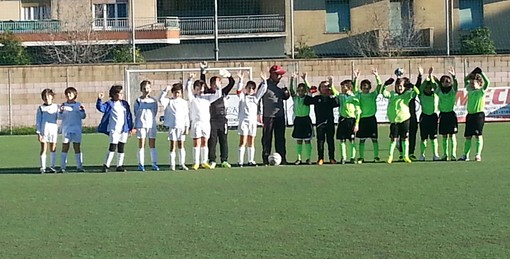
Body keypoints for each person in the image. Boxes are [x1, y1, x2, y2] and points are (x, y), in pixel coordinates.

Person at [200, 62, 236, 169]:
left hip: (222, 119)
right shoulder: (208, 93)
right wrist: (202, 71)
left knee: (223, 140)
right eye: (214, 84)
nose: (216, 86)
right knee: (212, 141)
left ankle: (224, 160)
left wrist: (228, 75)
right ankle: (212, 160)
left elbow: (232, 83)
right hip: (211, 120)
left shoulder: (223, 92)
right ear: (211, 85)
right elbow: (202, 82)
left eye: (218, 83)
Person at [186, 73, 222, 170]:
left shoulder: (207, 97)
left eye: (201, 87)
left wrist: (218, 86)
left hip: (206, 123)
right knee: (196, 142)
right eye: (197, 87)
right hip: (196, 123)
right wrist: (189, 80)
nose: (200, 89)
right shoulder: (193, 98)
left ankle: (204, 161)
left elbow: (218, 95)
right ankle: (196, 162)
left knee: (204, 142)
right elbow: (188, 91)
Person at [96, 84, 135, 172]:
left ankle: (119, 165)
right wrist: (99, 99)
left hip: (123, 129)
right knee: (112, 146)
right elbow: (101, 108)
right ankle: (106, 165)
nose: (121, 95)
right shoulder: (110, 104)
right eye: (119, 93)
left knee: (121, 147)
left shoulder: (124, 104)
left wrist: (131, 127)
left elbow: (129, 116)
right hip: (114, 129)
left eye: (122, 93)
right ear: (114, 94)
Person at [381, 77, 420, 164]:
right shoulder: (392, 94)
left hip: (404, 120)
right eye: (398, 86)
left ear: (405, 87)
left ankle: (405, 156)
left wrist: (412, 86)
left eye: (401, 86)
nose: (399, 88)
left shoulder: (407, 95)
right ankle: (390, 157)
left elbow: (417, 92)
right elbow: (383, 93)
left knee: (404, 138)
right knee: (393, 139)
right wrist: (385, 85)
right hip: (394, 121)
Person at [353, 68, 387, 163]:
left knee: (374, 139)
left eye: (367, 88)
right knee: (362, 140)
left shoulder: (373, 95)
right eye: (364, 88)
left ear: (370, 88)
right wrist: (356, 78)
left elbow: (380, 85)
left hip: (371, 119)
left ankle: (376, 156)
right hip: (362, 120)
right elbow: (354, 88)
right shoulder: (358, 95)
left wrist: (377, 76)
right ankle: (361, 157)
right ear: (361, 88)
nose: (365, 89)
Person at [260, 65, 290, 165]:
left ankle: (282, 158)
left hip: (280, 115)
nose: (279, 76)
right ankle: (265, 158)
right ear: (272, 74)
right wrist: (258, 114)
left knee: (280, 138)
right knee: (267, 138)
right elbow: (257, 99)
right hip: (268, 116)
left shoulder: (282, 85)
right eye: (277, 74)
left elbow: (286, 98)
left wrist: (286, 93)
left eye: (280, 75)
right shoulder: (264, 84)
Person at [304, 78, 339, 165]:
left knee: (330, 140)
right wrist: (310, 93)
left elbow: (337, 103)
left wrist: (332, 92)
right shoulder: (317, 98)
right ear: (320, 88)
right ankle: (320, 158)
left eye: (327, 86)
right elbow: (307, 102)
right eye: (323, 86)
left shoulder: (330, 98)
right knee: (320, 141)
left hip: (330, 122)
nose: (325, 88)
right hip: (320, 123)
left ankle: (332, 158)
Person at [236, 71, 268, 167]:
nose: (250, 89)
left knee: (251, 141)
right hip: (243, 122)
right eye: (249, 87)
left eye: (252, 88)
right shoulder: (243, 97)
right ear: (246, 88)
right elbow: (238, 91)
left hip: (253, 122)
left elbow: (263, 90)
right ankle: (240, 161)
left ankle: (251, 160)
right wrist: (240, 80)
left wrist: (264, 81)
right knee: (243, 141)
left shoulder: (255, 98)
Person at [459, 67, 490, 162]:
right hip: (470, 115)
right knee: (468, 136)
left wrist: (481, 73)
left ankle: (478, 155)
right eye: (471, 83)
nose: (471, 84)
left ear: (479, 83)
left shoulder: (481, 91)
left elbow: (487, 82)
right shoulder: (469, 90)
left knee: (478, 135)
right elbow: (465, 80)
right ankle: (465, 155)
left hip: (478, 115)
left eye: (474, 83)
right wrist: (472, 74)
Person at [159, 82, 190, 171]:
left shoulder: (184, 102)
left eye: (179, 92)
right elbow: (160, 99)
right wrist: (165, 90)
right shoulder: (169, 101)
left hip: (182, 127)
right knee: (173, 145)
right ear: (172, 93)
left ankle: (182, 163)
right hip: (172, 127)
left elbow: (186, 115)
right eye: (175, 92)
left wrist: (187, 127)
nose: (177, 94)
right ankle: (172, 164)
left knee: (181, 145)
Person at [333, 78, 361, 164]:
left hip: (351, 120)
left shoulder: (354, 97)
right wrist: (331, 84)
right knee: (342, 139)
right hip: (342, 119)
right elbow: (335, 92)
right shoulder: (341, 96)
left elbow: (358, 112)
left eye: (343, 87)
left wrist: (357, 123)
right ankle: (343, 157)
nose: (341, 89)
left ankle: (352, 157)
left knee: (352, 139)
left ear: (349, 88)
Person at [58, 87, 86, 173]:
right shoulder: (63, 105)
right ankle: (63, 167)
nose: (69, 95)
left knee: (77, 147)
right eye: (67, 93)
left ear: (75, 95)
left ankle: (79, 166)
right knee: (65, 147)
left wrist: (82, 111)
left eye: (70, 93)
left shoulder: (78, 105)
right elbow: (59, 117)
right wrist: (61, 111)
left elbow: (83, 116)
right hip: (66, 129)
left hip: (76, 129)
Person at [134, 80, 159, 172]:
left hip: (151, 125)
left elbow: (155, 112)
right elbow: (136, 112)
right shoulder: (138, 100)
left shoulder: (153, 101)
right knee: (141, 144)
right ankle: (141, 164)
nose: (146, 90)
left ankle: (154, 163)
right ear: (141, 89)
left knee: (152, 145)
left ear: (150, 89)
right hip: (141, 125)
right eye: (144, 88)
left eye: (148, 88)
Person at [417, 67, 440, 161]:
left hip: (433, 117)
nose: (428, 89)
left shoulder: (435, 94)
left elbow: (436, 86)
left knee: (433, 137)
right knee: (423, 138)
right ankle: (422, 155)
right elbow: (420, 87)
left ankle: (435, 155)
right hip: (424, 117)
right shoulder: (421, 94)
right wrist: (424, 77)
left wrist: (431, 76)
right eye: (427, 87)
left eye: (429, 87)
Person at [289, 72, 313, 165]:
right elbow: (291, 90)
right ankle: (298, 158)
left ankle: (308, 158)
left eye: (302, 90)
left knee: (307, 140)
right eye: (299, 90)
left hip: (306, 120)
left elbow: (310, 90)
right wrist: (292, 79)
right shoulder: (296, 98)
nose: (300, 92)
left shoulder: (307, 98)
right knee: (299, 140)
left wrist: (305, 79)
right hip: (298, 120)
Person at [437, 67, 459, 161]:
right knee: (444, 136)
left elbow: (456, 85)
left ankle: (453, 154)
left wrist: (453, 76)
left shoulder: (452, 91)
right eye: (445, 81)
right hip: (443, 115)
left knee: (452, 135)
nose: (447, 82)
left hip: (451, 115)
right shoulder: (439, 91)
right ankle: (445, 154)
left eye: (448, 81)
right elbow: (435, 85)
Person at [36, 88, 59, 174]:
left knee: (53, 148)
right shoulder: (41, 108)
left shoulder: (56, 107)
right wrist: (38, 133)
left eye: (48, 96)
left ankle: (52, 166)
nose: (47, 98)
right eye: (44, 96)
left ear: (52, 97)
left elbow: (59, 117)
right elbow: (38, 121)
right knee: (43, 148)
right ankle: (43, 167)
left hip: (53, 130)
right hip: (44, 131)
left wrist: (63, 111)